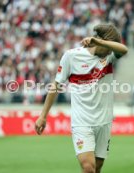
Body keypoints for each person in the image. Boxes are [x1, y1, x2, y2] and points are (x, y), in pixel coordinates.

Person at [34, 23, 128, 173]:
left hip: (104, 122)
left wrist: (100, 43)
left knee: (97, 168)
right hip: (82, 122)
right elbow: (55, 86)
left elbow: (124, 49)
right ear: (98, 40)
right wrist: (43, 116)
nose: (110, 50)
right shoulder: (72, 56)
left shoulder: (109, 56)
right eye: (107, 45)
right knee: (88, 168)